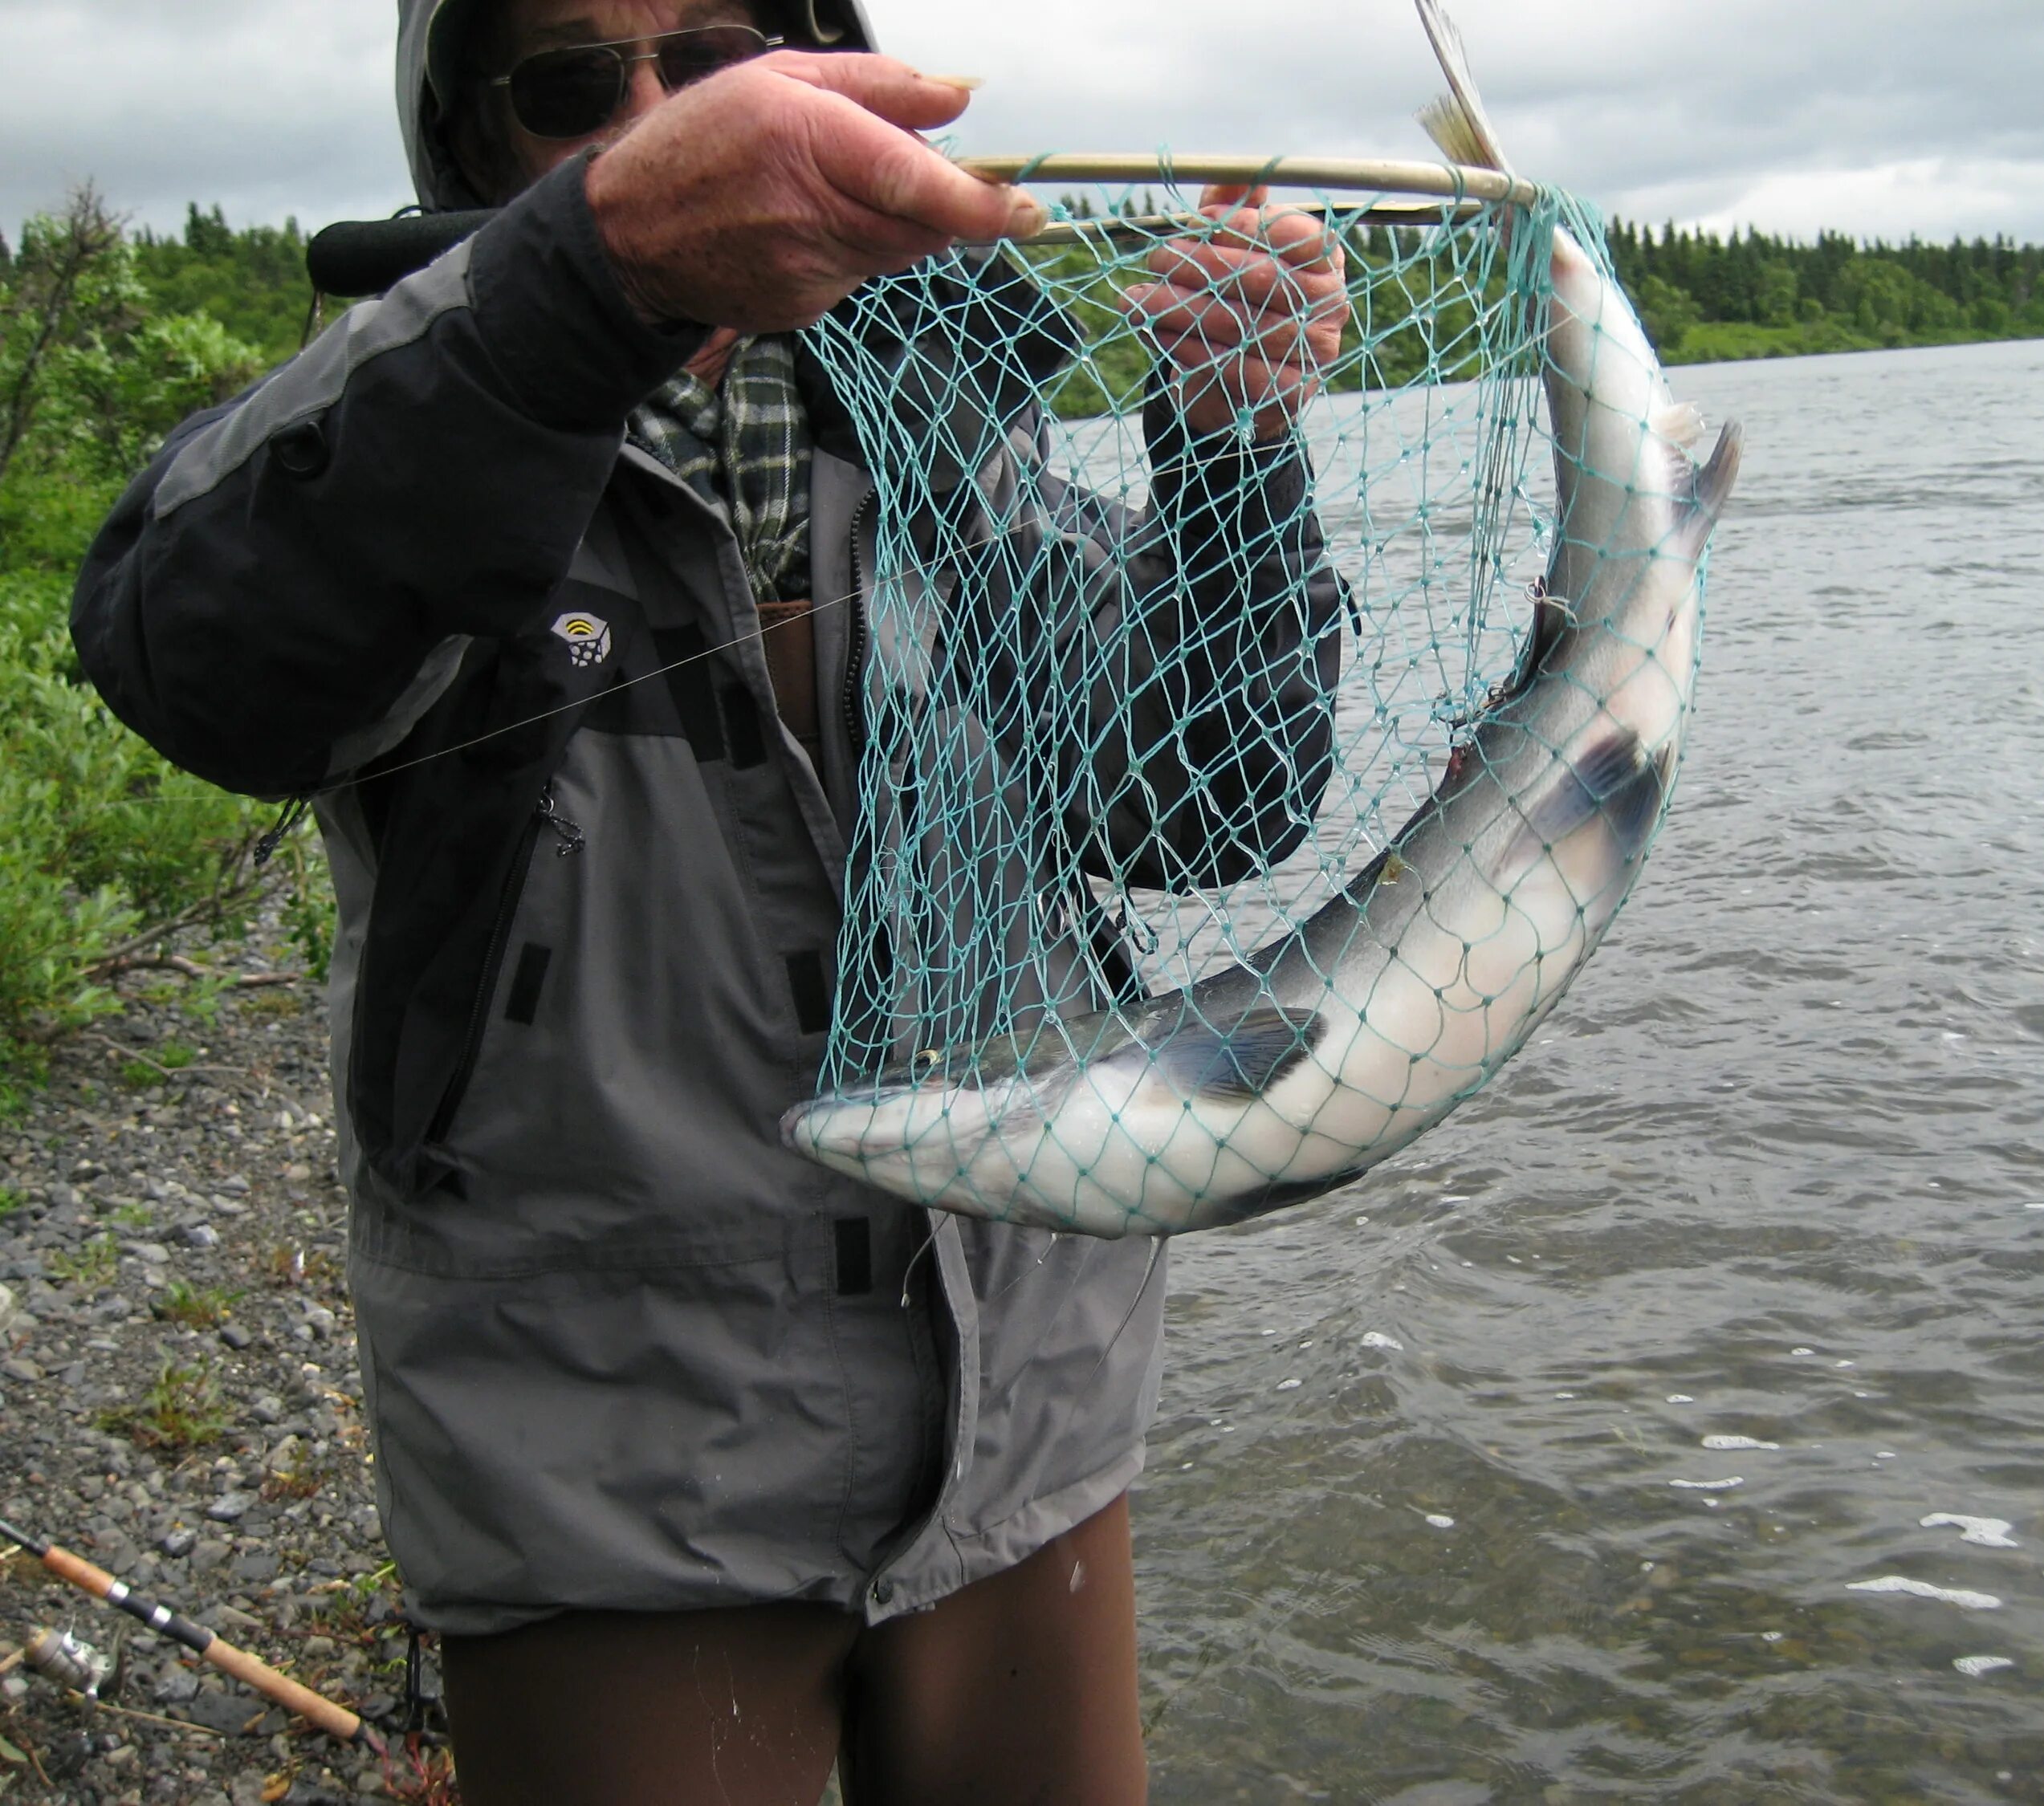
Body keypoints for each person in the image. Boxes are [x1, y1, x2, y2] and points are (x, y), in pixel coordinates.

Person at [71, 2, 1350, 1800]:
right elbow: (187, 653)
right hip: (606, 1468)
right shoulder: (389, 434)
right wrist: (588, 280)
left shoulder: (949, 429)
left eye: (721, 49)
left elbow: (1197, 800)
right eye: (573, 90)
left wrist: (1225, 457)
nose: (663, 112)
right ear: (471, 150)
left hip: (1033, 1411)